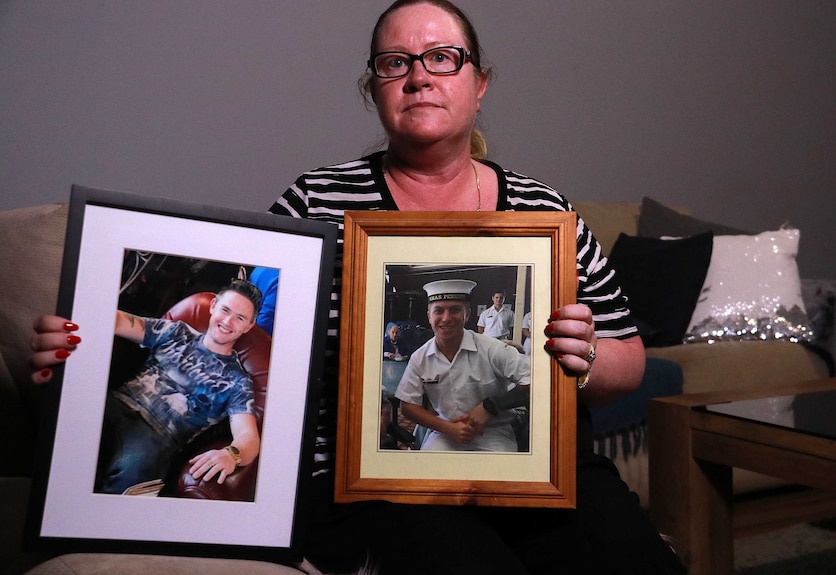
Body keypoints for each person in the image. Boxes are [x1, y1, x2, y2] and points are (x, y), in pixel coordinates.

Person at [32, 1, 685, 572]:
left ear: (479, 83)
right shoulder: (316, 200)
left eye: (442, 57)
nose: (419, 75)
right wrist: (82, 341)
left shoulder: (544, 213)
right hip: (370, 486)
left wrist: (588, 353)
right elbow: (234, 330)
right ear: (372, 87)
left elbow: (626, 358)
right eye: (394, 62)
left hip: (536, 474)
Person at [95, 279, 263, 494]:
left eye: (239, 318)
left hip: (155, 440)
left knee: (136, 477)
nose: (228, 321)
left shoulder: (238, 381)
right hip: (115, 405)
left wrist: (231, 455)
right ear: (213, 306)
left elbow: (248, 436)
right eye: (225, 310)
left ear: (248, 326)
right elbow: (119, 321)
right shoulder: (176, 332)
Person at [395, 279, 529, 451]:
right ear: (429, 316)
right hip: (446, 432)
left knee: (497, 476)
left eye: (455, 310)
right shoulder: (420, 357)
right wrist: (448, 428)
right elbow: (407, 406)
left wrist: (490, 407)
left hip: (493, 433)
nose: (446, 318)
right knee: (428, 471)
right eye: (438, 311)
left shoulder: (492, 349)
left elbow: (537, 380)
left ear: (467, 314)